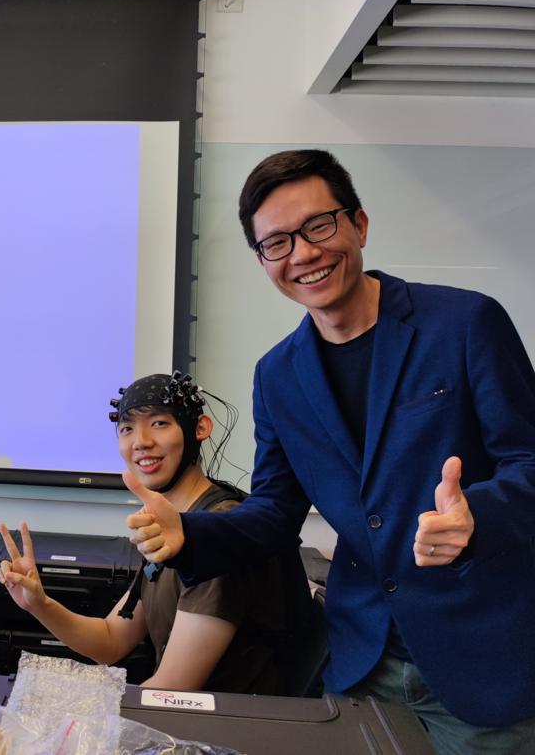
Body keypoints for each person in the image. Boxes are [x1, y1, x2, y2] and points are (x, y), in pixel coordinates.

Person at [127, 150, 535, 754]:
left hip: (477, 660)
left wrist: (477, 515)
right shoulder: (278, 374)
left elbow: (527, 462)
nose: (304, 253)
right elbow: (274, 513)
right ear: (263, 260)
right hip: (360, 662)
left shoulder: (465, 322)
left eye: (319, 226)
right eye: (278, 243)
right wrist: (191, 533)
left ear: (359, 225)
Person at [0, 372, 308, 694]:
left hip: (227, 730)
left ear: (200, 428)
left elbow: (172, 687)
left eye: (159, 423)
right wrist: (39, 603)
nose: (140, 441)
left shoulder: (218, 529)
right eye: (127, 428)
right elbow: (111, 639)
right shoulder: (168, 525)